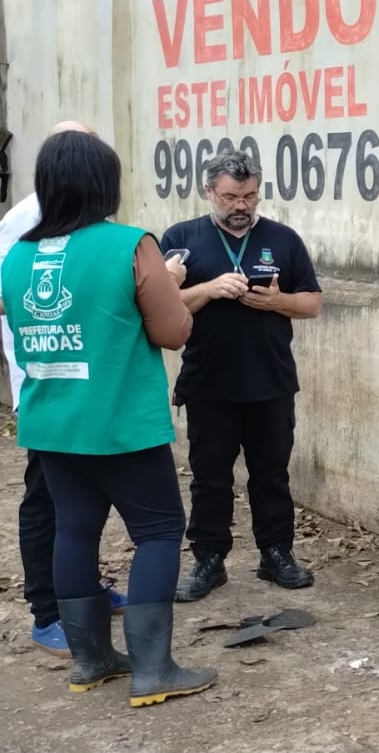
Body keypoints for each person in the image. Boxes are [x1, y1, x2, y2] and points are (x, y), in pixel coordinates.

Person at [0, 129, 216, 706]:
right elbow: (172, 332)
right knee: (159, 531)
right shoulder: (131, 245)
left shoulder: (17, 256)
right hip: (120, 421)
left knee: (74, 529)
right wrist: (169, 283)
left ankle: (91, 660)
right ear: (106, 185)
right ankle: (153, 671)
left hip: (51, 421)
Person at [160, 152, 322, 601]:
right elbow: (161, 309)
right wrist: (208, 290)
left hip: (270, 381)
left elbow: (311, 302)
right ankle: (209, 560)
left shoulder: (283, 239)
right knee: (210, 477)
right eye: (231, 196)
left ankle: (276, 554)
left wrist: (278, 303)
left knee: (271, 474)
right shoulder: (181, 239)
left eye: (249, 196)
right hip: (209, 383)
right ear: (209, 191)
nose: (241, 205)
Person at [2, 121, 132, 657]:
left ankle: (83, 590)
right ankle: (47, 609)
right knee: (46, 498)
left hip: (80, 384)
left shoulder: (82, 217)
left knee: (81, 501)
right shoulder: (26, 223)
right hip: (48, 383)